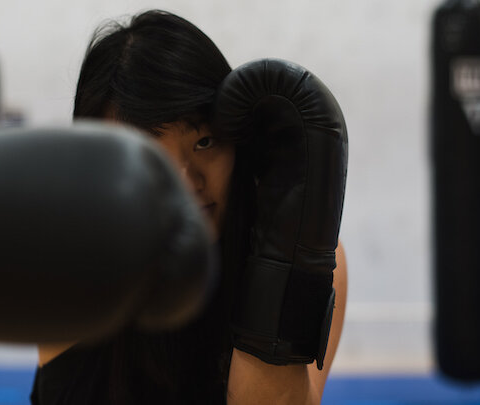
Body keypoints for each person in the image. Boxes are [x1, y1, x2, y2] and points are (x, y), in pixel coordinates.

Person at [31, 10, 348, 405]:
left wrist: (284, 264)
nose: (186, 184)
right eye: (148, 155)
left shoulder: (315, 256)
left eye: (204, 142)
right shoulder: (72, 260)